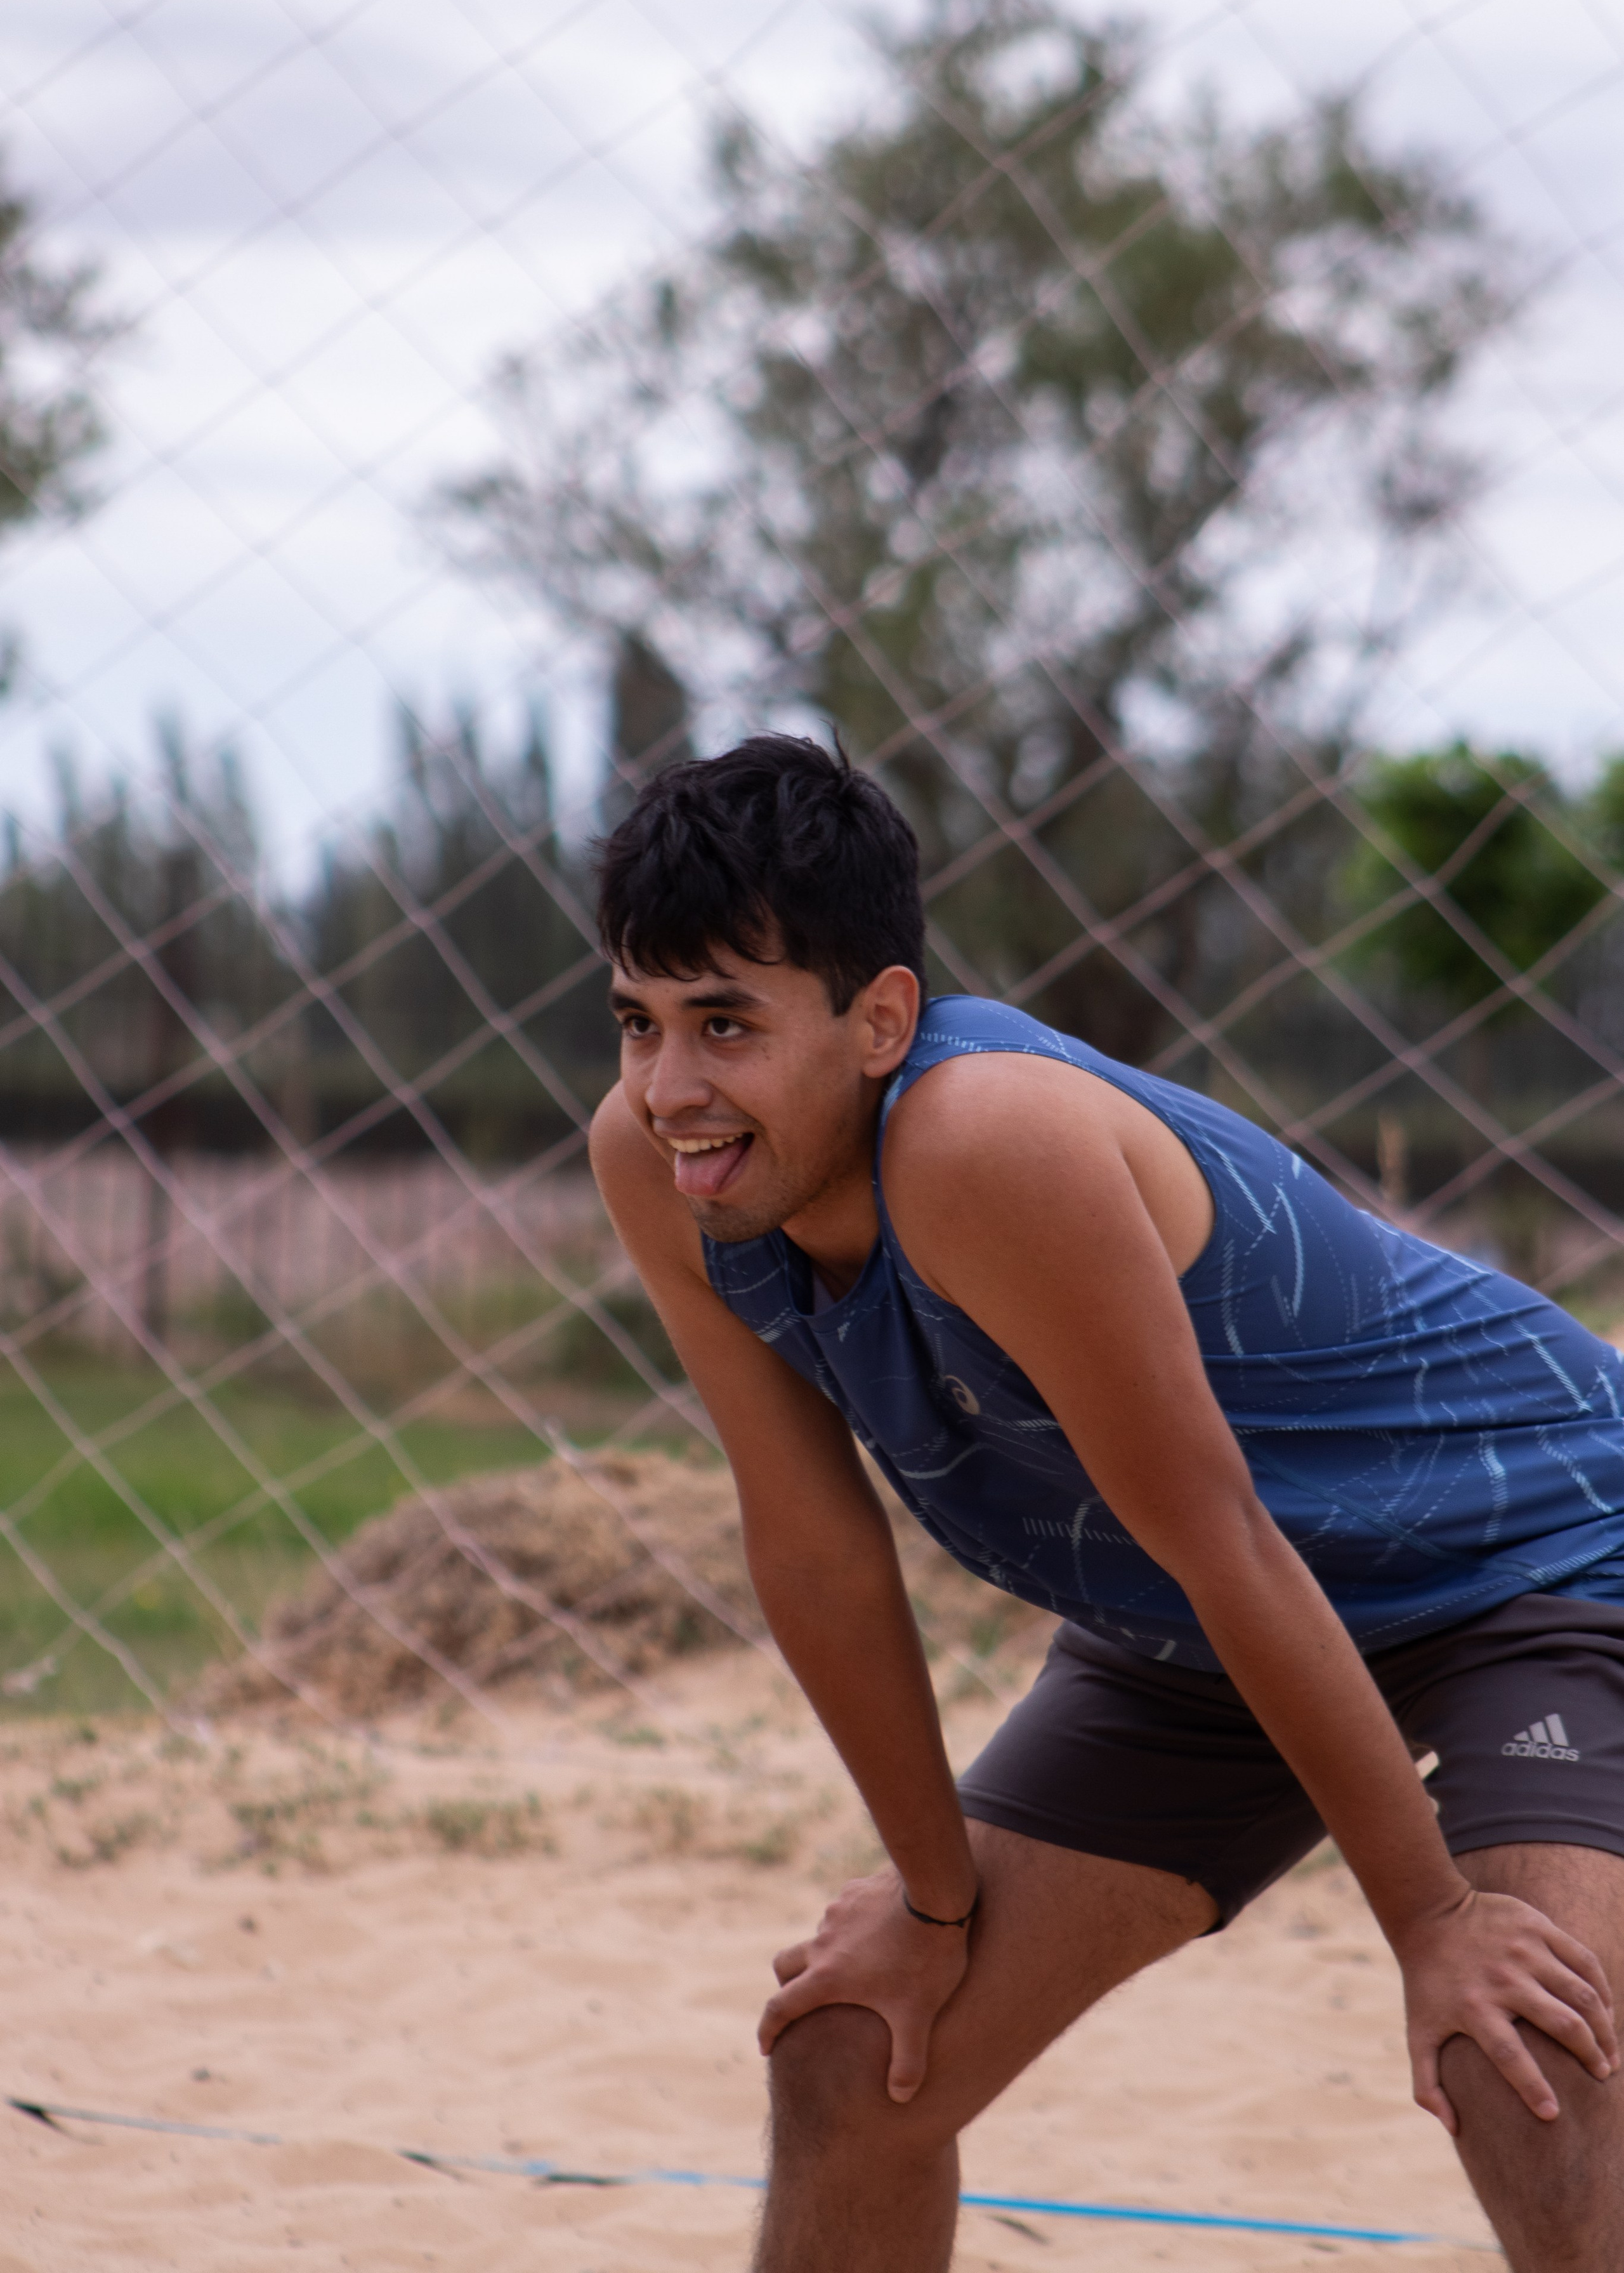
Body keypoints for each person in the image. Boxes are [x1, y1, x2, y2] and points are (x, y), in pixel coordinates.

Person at [587, 732, 1624, 2273]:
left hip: (1532, 1562)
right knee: (856, 2053)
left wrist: (1428, 1921)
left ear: (879, 1019)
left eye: (724, 1024)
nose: (672, 1087)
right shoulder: (668, 1169)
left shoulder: (978, 1137)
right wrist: (932, 1907)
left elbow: (1221, 1534)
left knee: (1522, 2056)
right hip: (1200, 1631)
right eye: (637, 1023)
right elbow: (813, 1551)